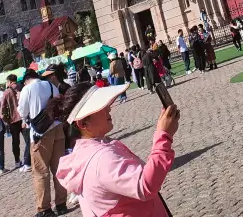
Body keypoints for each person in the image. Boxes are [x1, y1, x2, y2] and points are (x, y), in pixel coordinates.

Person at [56, 82, 180, 217]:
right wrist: (164, 136)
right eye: (100, 106)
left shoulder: (84, 153)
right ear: (83, 123)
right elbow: (145, 185)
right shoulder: (102, 158)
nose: (108, 108)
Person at [18, 68, 68, 217]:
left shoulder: (27, 90)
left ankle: (45, 209)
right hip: (57, 128)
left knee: (40, 171)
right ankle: (61, 204)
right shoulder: (50, 85)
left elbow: (22, 112)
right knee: (58, 168)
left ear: (26, 80)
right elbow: (59, 103)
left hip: (41, 133)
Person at [1, 74, 24, 168]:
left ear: (9, 81)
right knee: (28, 139)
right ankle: (30, 159)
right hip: (23, 118)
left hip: (13, 120)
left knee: (15, 142)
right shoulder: (22, 88)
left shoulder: (6, 92)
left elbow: (2, 109)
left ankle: (17, 161)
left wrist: (6, 120)